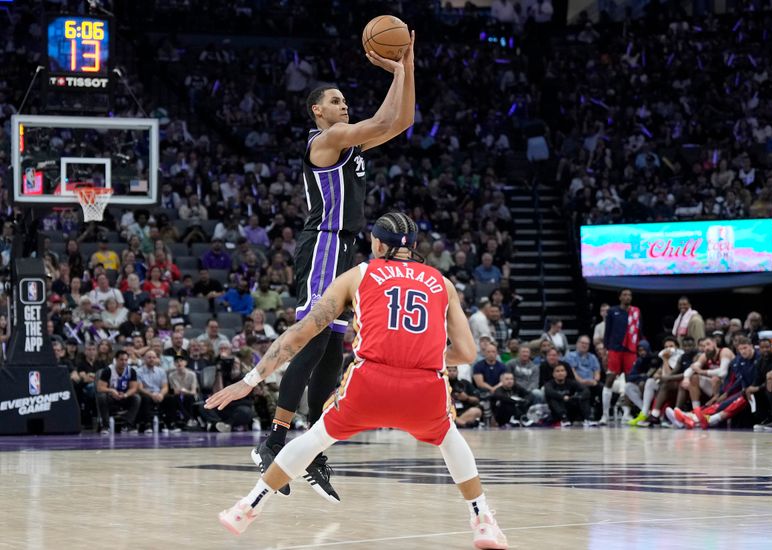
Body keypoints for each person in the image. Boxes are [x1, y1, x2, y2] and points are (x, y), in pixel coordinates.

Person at [206, 212, 508, 548]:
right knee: (450, 439)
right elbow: (466, 353)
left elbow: (299, 335)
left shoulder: (360, 274)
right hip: (424, 388)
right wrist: (421, 356)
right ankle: (482, 520)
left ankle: (248, 506)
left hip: (370, 383)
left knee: (315, 438)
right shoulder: (442, 282)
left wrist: (250, 379)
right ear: (414, 247)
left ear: (377, 244)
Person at [250, 36, 418, 503]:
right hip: (324, 244)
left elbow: (401, 120)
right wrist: (397, 69)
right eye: (336, 101)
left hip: (348, 250)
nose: (344, 105)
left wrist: (406, 63)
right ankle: (275, 442)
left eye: (346, 100)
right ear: (317, 112)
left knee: (335, 350)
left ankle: (312, 446)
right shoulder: (326, 141)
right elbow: (385, 118)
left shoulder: (352, 143)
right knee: (315, 336)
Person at [602, 288, 641, 424]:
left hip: (630, 350)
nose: (627, 297)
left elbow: (638, 331)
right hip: (615, 349)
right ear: (620, 297)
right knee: (610, 378)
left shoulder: (635, 312)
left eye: (629, 295)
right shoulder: (612, 311)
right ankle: (605, 415)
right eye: (624, 295)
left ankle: (627, 413)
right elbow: (607, 331)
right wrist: (606, 350)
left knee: (629, 381)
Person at [96, 350, 141, 434]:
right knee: (101, 397)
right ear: (116, 360)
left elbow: (134, 388)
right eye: (121, 359)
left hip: (124, 397)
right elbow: (100, 388)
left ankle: (127, 425)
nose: (124, 362)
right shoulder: (108, 370)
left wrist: (126, 394)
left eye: (126, 360)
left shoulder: (131, 371)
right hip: (111, 398)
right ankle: (105, 426)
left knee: (137, 398)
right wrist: (111, 390)